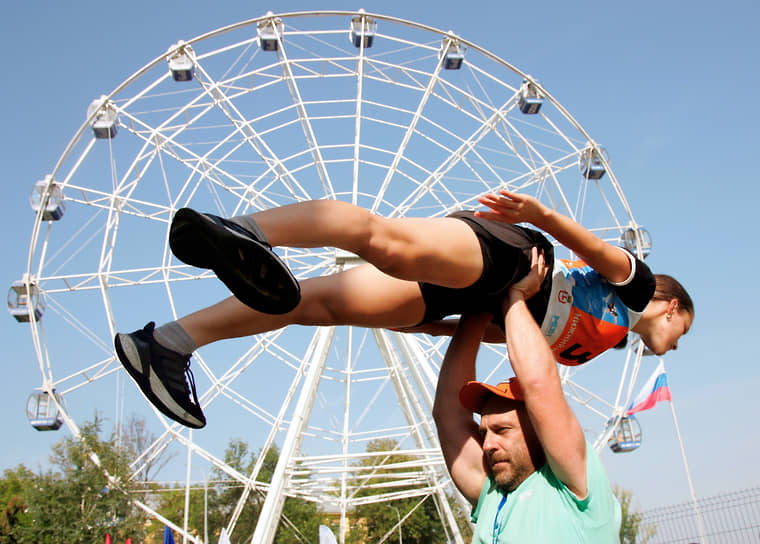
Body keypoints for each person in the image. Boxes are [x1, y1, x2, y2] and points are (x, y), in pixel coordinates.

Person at [114, 191, 693, 428]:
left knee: (315, 306)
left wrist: (427, 327)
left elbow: (504, 339)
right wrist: (537, 214)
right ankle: (241, 230)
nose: (674, 341)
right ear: (668, 307)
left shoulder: (591, 349)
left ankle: (166, 344)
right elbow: (590, 247)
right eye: (680, 329)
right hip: (514, 260)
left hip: (482, 303)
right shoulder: (636, 290)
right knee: (381, 240)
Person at [432, 249, 621, 542]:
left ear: (540, 430)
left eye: (502, 430)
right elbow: (448, 415)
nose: (488, 445)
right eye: (484, 434)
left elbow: (539, 384)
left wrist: (515, 297)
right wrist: (476, 309)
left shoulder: (577, 487)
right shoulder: (492, 496)